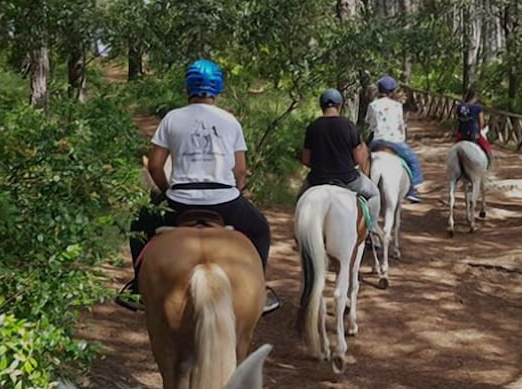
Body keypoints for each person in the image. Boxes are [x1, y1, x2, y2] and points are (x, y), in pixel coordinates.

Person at [118, 59, 281, 314]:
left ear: (188, 86)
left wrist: (165, 191)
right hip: (225, 201)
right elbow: (240, 169)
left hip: (179, 200)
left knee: (138, 225)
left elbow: (155, 166)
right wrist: (236, 190)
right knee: (260, 230)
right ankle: (260, 290)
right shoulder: (230, 121)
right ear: (218, 88)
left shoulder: (172, 118)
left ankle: (138, 287)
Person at [299, 89, 379, 223]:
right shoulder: (349, 126)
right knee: (374, 195)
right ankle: (372, 231)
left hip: (317, 179)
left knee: (300, 202)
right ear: (340, 105)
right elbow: (360, 159)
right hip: (347, 179)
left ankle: (298, 236)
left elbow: (306, 159)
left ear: (321, 106)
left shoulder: (313, 127)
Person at [365, 75, 423, 203]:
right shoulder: (397, 106)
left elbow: (369, 124)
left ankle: (359, 187)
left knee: (361, 161)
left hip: (377, 141)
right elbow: (400, 125)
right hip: (395, 141)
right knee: (413, 160)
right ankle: (413, 189)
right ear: (392, 91)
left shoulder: (372, 105)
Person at [455, 88, 492, 167]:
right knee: (486, 147)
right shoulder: (478, 107)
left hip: (461, 134)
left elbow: (458, 119)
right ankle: (488, 164)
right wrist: (481, 128)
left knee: (455, 149)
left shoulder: (459, 107)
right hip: (474, 134)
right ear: (474, 97)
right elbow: (481, 122)